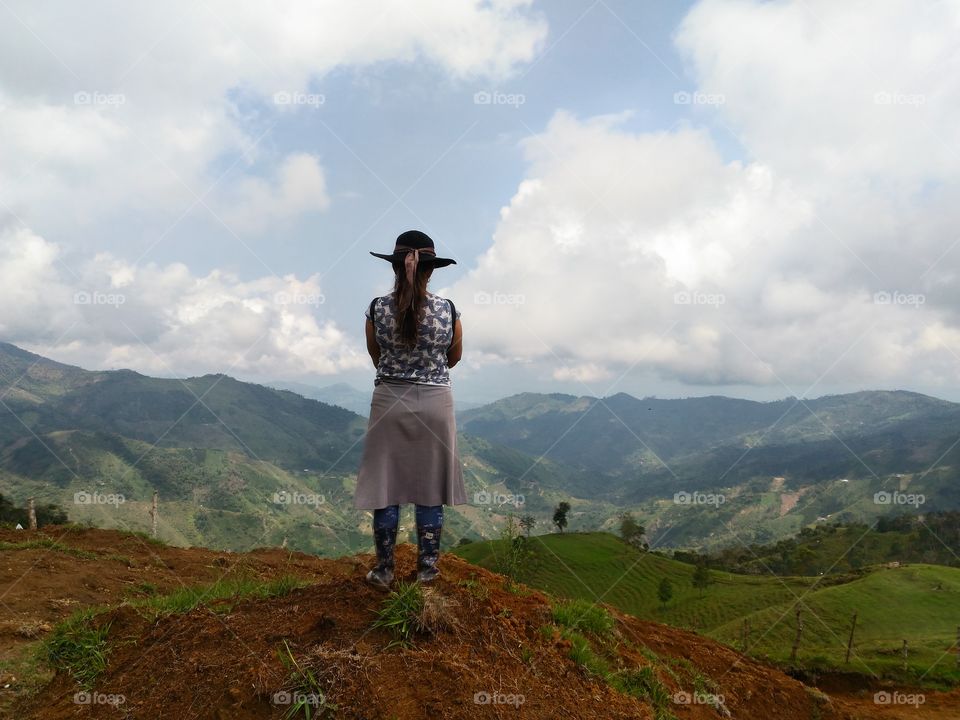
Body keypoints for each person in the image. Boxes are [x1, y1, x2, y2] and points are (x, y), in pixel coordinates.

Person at [354, 230, 467, 590]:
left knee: (385, 487)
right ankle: (427, 572)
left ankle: (384, 571)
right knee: (431, 489)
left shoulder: (376, 309)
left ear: (395, 267)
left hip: (388, 400)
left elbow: (376, 356)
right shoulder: (448, 310)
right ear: (430, 270)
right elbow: (454, 357)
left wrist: (397, 373)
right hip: (436, 403)